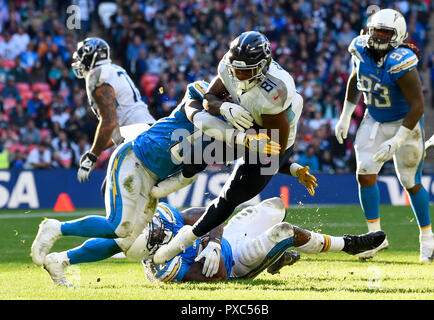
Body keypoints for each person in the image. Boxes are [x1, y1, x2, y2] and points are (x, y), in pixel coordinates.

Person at [31, 80, 282, 286]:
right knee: (118, 227)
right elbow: (204, 110)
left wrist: (287, 164)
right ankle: (56, 227)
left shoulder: (233, 128)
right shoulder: (204, 94)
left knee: (126, 240)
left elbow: (251, 156)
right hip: (136, 159)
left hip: (153, 175)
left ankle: (61, 260)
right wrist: (237, 129)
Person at [153, 31, 316, 265]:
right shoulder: (229, 66)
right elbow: (209, 97)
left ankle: (179, 244)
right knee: (196, 154)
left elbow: (273, 147)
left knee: (228, 198)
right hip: (242, 125)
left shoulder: (275, 91)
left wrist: (288, 166)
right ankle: (172, 182)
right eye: (236, 69)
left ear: (263, 66)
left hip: (269, 143)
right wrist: (223, 108)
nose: (239, 75)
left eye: (246, 70)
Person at [334, 9, 434, 262]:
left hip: (405, 123)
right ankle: (375, 238)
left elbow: (418, 105)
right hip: (375, 118)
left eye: (384, 32)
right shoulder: (359, 48)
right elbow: (356, 77)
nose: (377, 36)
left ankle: (427, 237)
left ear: (397, 35)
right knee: (365, 174)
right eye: (375, 30)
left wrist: (397, 140)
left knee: (410, 182)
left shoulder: (401, 60)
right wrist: (345, 115)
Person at [123, 198, 385, 283]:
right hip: (235, 262)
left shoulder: (166, 219)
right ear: (148, 248)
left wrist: (211, 241)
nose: (160, 227)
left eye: (154, 225)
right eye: (155, 233)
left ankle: (276, 258)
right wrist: (201, 244)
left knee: (275, 206)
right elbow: (219, 276)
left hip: (227, 240)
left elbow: (211, 214)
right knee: (284, 230)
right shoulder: (163, 268)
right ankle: (348, 244)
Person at [70, 37, 155, 184]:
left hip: (138, 141)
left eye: (81, 57)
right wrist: (94, 150)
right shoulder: (115, 70)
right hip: (146, 133)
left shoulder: (97, 76)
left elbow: (109, 123)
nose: (79, 62)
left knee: (114, 189)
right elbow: (115, 131)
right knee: (115, 188)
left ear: (91, 55)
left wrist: (92, 157)